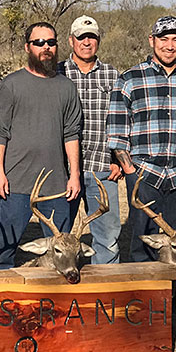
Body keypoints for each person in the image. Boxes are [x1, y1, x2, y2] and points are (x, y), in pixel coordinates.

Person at [107, 15, 176, 296]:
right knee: (142, 240)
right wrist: (131, 172)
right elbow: (117, 132)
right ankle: (143, 300)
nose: (170, 45)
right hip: (144, 174)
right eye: (164, 39)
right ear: (152, 41)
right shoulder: (130, 79)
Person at [0, 21, 82, 270]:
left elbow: (71, 134)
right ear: (28, 47)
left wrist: (74, 175)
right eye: (39, 42)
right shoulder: (12, 84)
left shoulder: (66, 87)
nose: (46, 47)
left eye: (50, 42)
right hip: (16, 183)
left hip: (56, 186)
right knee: (3, 247)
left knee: (61, 253)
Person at [58, 15, 122, 264]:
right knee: (60, 237)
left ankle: (104, 287)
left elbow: (121, 119)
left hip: (102, 169)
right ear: (71, 40)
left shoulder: (112, 75)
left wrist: (118, 159)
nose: (86, 42)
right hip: (63, 171)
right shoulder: (57, 73)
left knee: (107, 238)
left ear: (98, 41)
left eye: (92, 37)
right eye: (81, 37)